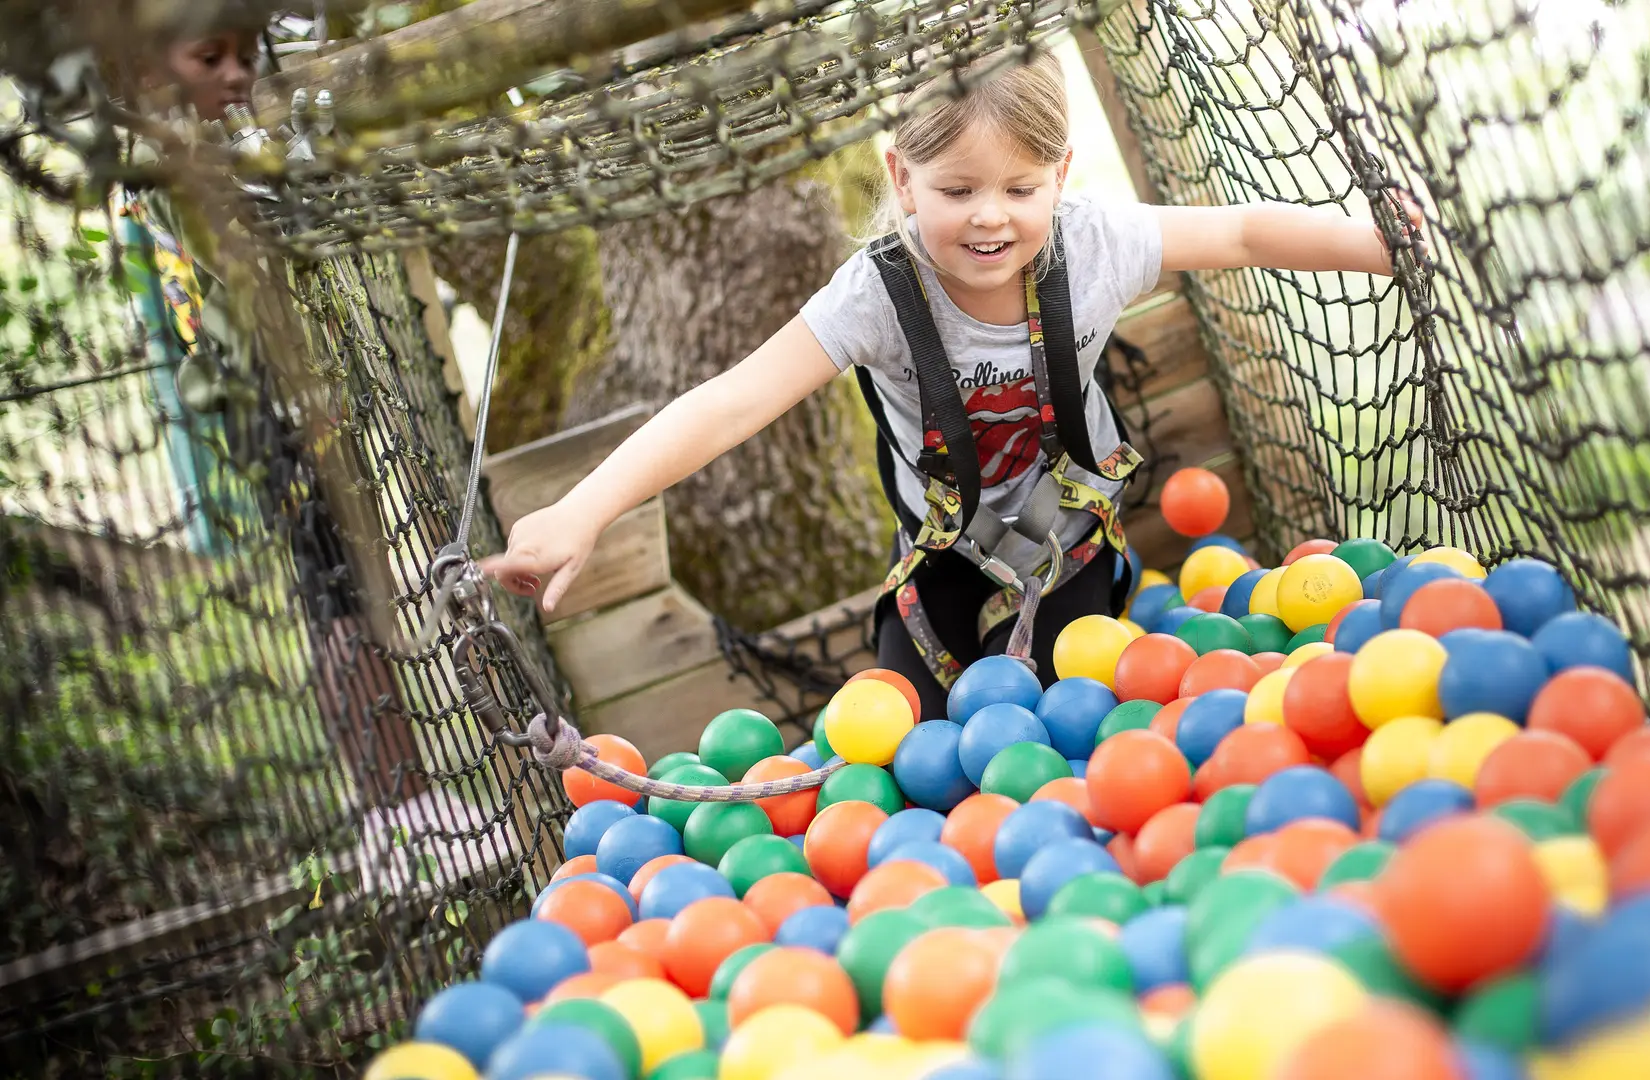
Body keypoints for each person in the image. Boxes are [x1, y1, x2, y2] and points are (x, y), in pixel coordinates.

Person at [481, 48, 1424, 719]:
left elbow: (1244, 234)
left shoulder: (1096, 243)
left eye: (1020, 189)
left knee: (1071, 713)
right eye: (956, 189)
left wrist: (1384, 245)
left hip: (1070, 538)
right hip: (942, 550)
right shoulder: (877, 294)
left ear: (1062, 174)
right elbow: (730, 400)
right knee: (914, 733)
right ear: (901, 178)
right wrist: (582, 511)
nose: (990, 219)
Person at [117, 4, 502, 892]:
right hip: (264, 407)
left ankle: (401, 809)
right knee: (333, 599)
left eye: (243, 55)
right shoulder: (167, 149)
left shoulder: (189, 142)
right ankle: (396, 816)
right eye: (207, 57)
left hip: (276, 396)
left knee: (347, 591)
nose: (234, 74)